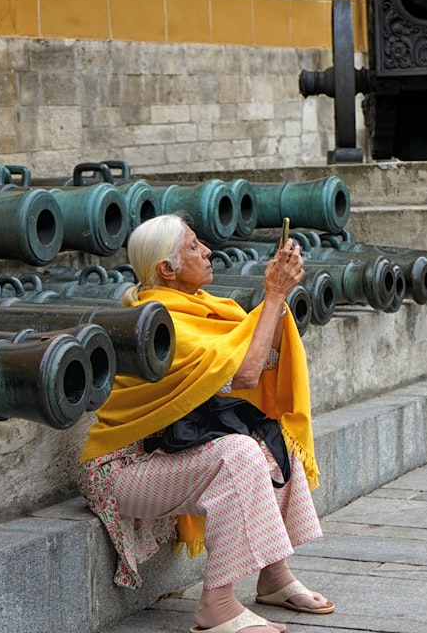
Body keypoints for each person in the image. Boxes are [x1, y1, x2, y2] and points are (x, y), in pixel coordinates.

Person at [77, 213, 335, 633]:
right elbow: (245, 376)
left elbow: (260, 357)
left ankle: (274, 576)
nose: (207, 251)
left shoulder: (204, 307)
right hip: (120, 470)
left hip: (165, 453)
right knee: (238, 453)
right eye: (194, 246)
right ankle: (216, 606)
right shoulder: (158, 321)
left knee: (268, 436)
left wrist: (276, 297)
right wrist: (272, 295)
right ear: (167, 269)